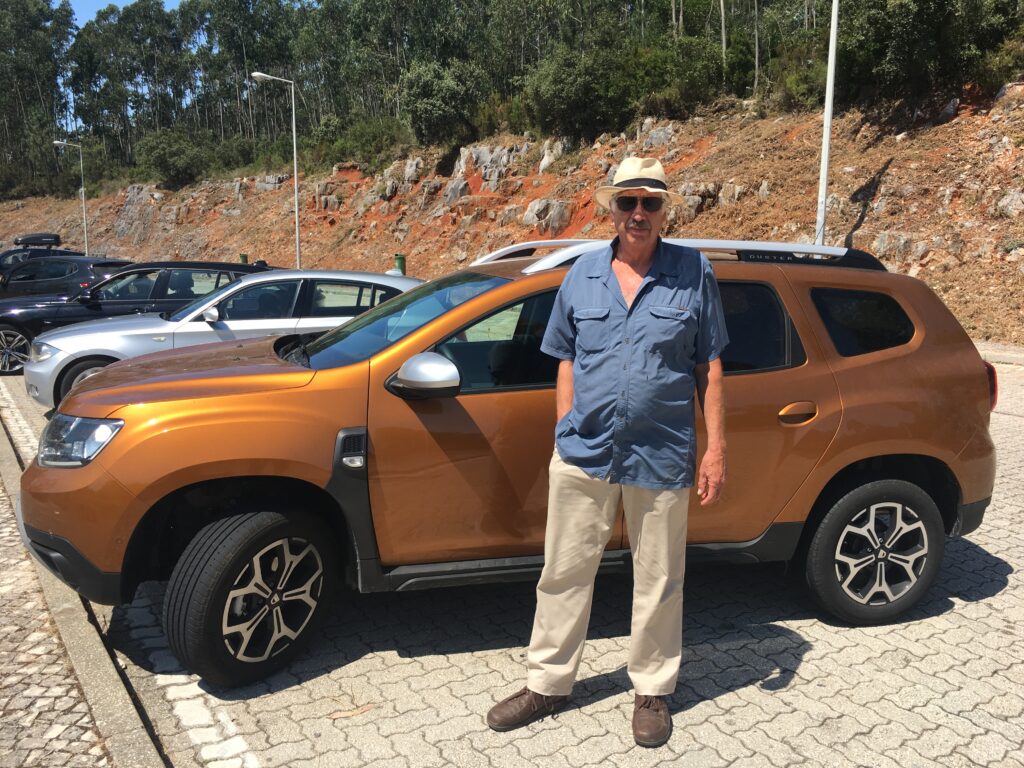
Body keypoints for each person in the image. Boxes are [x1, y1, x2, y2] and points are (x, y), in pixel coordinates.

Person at [486, 157, 728, 748]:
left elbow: (710, 364)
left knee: (660, 578)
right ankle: (548, 685)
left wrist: (716, 447)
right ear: (611, 207)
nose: (638, 213)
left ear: (665, 208)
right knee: (563, 572)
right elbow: (564, 354)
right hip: (583, 451)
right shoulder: (583, 275)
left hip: (663, 450)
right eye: (628, 202)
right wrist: (566, 421)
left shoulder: (694, 273)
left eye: (650, 202)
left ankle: (652, 690)